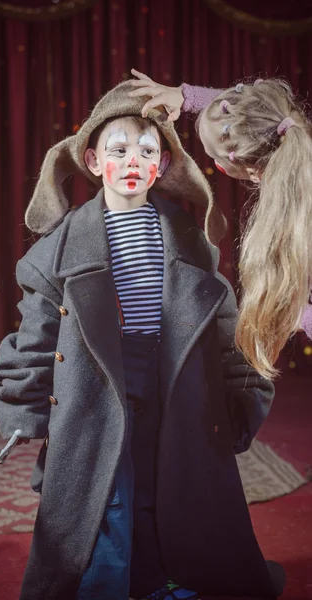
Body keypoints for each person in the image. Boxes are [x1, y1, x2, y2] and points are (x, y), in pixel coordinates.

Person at [0, 80, 285, 600]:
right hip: (98, 385)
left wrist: (243, 395)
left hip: (174, 379)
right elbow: (36, 336)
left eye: (146, 151)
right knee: (109, 487)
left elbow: (222, 326)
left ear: (163, 165)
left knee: (170, 478)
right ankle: (110, 584)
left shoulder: (191, 239)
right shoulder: (56, 250)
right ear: (93, 160)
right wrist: (23, 406)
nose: (132, 160)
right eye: (118, 149)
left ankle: (171, 578)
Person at [129, 69, 312, 380]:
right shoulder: (289, 132)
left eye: (216, 160)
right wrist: (186, 96)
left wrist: (301, 315)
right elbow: (256, 118)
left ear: (246, 169)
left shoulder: (298, 220)